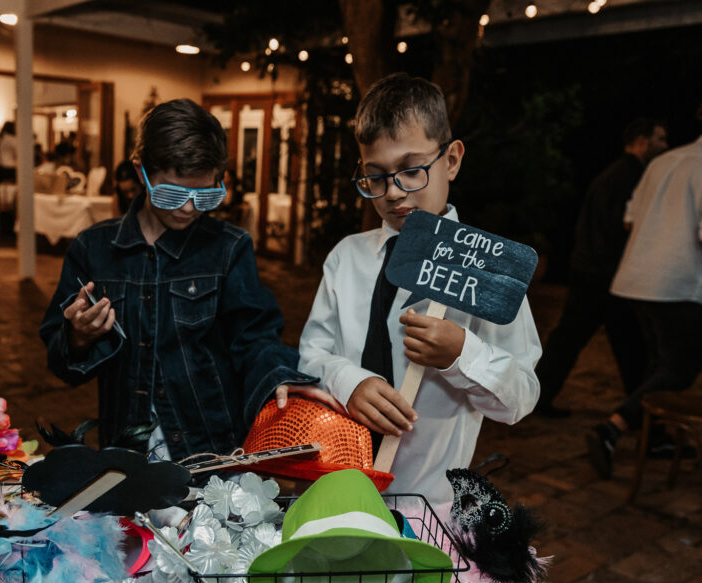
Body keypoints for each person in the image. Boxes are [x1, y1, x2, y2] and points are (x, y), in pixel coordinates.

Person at [297, 73, 541, 506]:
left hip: (428, 500)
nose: (392, 193)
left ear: (451, 160)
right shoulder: (346, 258)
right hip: (334, 487)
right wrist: (348, 381)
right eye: (375, 176)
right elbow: (311, 355)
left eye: (411, 171)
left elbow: (520, 397)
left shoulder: (488, 268)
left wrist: (461, 353)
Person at [40, 98, 324, 462]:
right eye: (173, 192)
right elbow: (59, 360)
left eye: (206, 194)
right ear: (141, 171)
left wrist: (275, 376)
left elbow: (254, 334)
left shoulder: (228, 248)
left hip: (211, 449)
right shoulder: (93, 249)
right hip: (126, 452)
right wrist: (78, 337)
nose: (188, 208)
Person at [586, 116, 702, 478]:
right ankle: (612, 428)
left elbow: (628, 220)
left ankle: (654, 438)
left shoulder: (664, 161)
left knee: (658, 365)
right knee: (680, 369)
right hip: (675, 284)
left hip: (636, 278)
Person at [535, 119, 667, 418]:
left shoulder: (617, 174)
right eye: (660, 139)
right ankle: (638, 416)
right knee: (630, 346)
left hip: (593, 273)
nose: (665, 146)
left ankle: (540, 400)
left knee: (582, 341)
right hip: (605, 277)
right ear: (643, 141)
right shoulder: (629, 177)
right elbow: (621, 230)